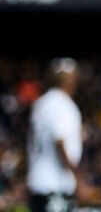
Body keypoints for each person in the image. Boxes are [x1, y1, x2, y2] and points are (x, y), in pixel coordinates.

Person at [26, 58, 85, 212]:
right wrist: (79, 179)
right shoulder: (62, 104)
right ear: (71, 79)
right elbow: (59, 143)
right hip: (55, 186)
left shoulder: (41, 103)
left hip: (38, 184)